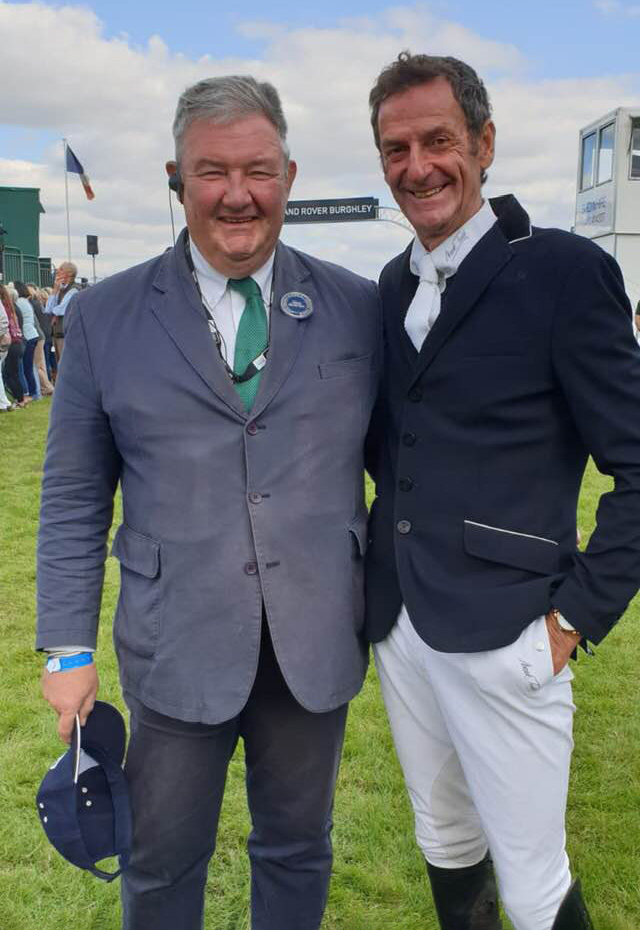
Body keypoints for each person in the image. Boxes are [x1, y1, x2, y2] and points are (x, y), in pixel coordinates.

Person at [37, 74, 380, 930]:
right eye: (212, 171)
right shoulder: (106, 317)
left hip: (314, 641)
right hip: (175, 642)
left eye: (258, 170)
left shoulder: (356, 307)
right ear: (176, 179)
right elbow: (75, 495)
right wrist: (68, 649)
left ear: (289, 177)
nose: (237, 194)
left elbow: (411, 462)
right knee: (159, 862)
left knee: (298, 849)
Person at [364, 52, 640, 930]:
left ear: (484, 144)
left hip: (510, 633)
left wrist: (572, 620)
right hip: (400, 621)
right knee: (445, 839)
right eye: (396, 149)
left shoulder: (564, 271)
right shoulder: (390, 284)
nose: (417, 167)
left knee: (533, 884)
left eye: (438, 141)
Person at [45, 261, 78, 363]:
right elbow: (48, 309)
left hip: (67, 336)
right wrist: (55, 290)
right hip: (57, 334)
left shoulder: (74, 290)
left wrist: (54, 313)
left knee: (66, 364)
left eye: (61, 270)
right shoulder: (60, 289)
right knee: (59, 364)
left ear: (69, 273)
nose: (57, 272)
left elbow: (59, 310)